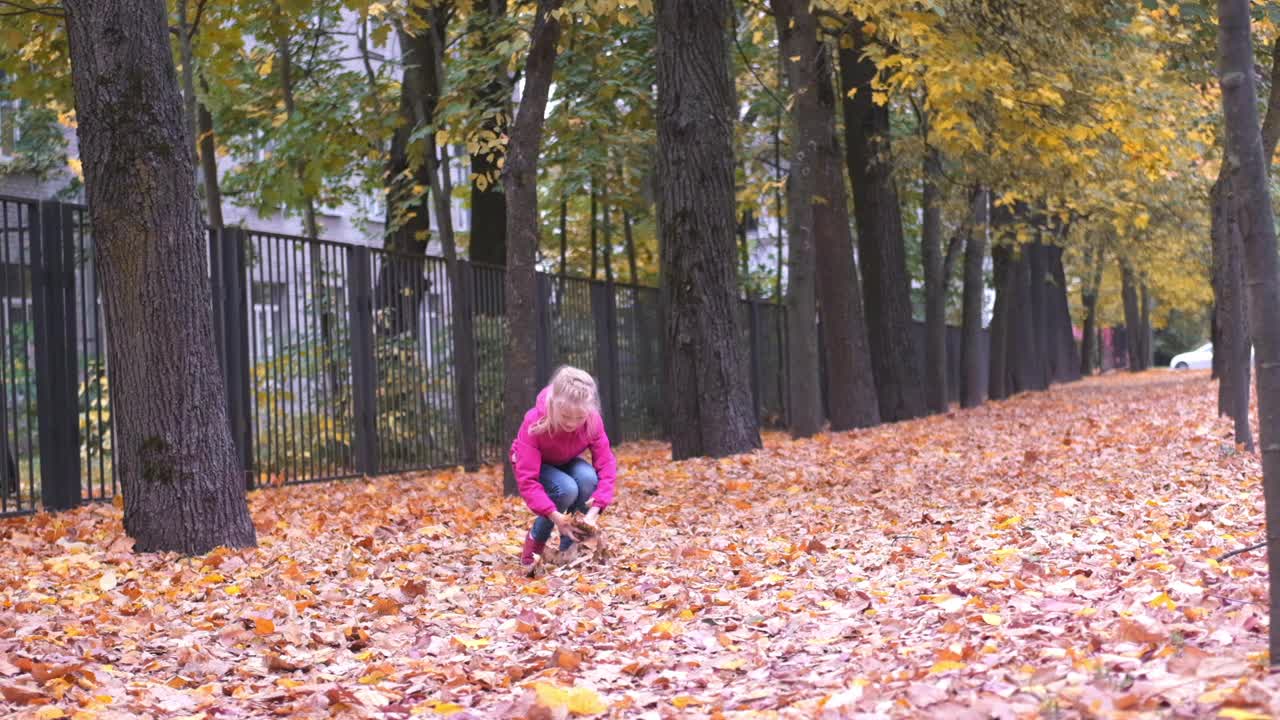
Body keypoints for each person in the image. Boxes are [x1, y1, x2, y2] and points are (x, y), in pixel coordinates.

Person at [510, 366, 617, 566]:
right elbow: (528, 479)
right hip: (534, 464)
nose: (572, 423)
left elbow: (606, 465)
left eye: (579, 418)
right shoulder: (534, 422)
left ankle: (570, 548)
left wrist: (594, 512)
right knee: (565, 489)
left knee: (587, 479)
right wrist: (558, 518)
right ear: (553, 405)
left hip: (564, 460)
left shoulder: (593, 421)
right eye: (566, 416)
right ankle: (535, 544)